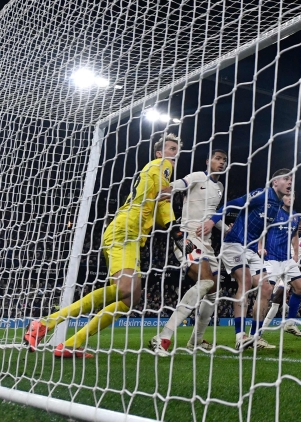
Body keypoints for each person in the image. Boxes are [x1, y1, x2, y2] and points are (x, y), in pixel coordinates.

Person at [24, 135, 185, 358]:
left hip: (130, 234)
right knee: (125, 289)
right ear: (159, 153)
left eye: (177, 150)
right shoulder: (161, 165)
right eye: (171, 148)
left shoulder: (153, 173)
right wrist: (176, 230)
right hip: (125, 231)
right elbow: (163, 202)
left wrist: (171, 224)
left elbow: (157, 209)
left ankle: (71, 344)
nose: (175, 153)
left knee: (130, 299)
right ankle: (44, 323)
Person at [149, 149, 228, 355]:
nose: (221, 162)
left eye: (224, 160)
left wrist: (226, 228)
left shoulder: (220, 187)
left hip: (207, 244)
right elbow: (181, 183)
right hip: (188, 237)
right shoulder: (199, 176)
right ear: (208, 161)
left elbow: (211, 215)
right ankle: (163, 337)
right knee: (206, 282)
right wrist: (168, 189)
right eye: (217, 158)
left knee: (214, 293)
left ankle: (196, 341)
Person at [203, 168, 291, 350]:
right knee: (246, 281)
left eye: (292, 180)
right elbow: (233, 203)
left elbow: (260, 227)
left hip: (251, 249)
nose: (290, 182)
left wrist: (259, 245)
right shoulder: (262, 194)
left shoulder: (277, 205)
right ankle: (240, 336)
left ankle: (255, 337)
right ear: (275, 182)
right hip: (234, 243)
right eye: (286, 179)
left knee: (267, 288)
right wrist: (212, 220)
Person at [257, 185, 301, 338]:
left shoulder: (295, 216)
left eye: (292, 196)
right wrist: (260, 247)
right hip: (272, 259)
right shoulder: (273, 212)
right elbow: (261, 230)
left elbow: (294, 235)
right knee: (267, 293)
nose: (289, 198)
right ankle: (256, 334)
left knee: (300, 288)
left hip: (287, 259)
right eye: (287, 195)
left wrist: (296, 253)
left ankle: (289, 323)